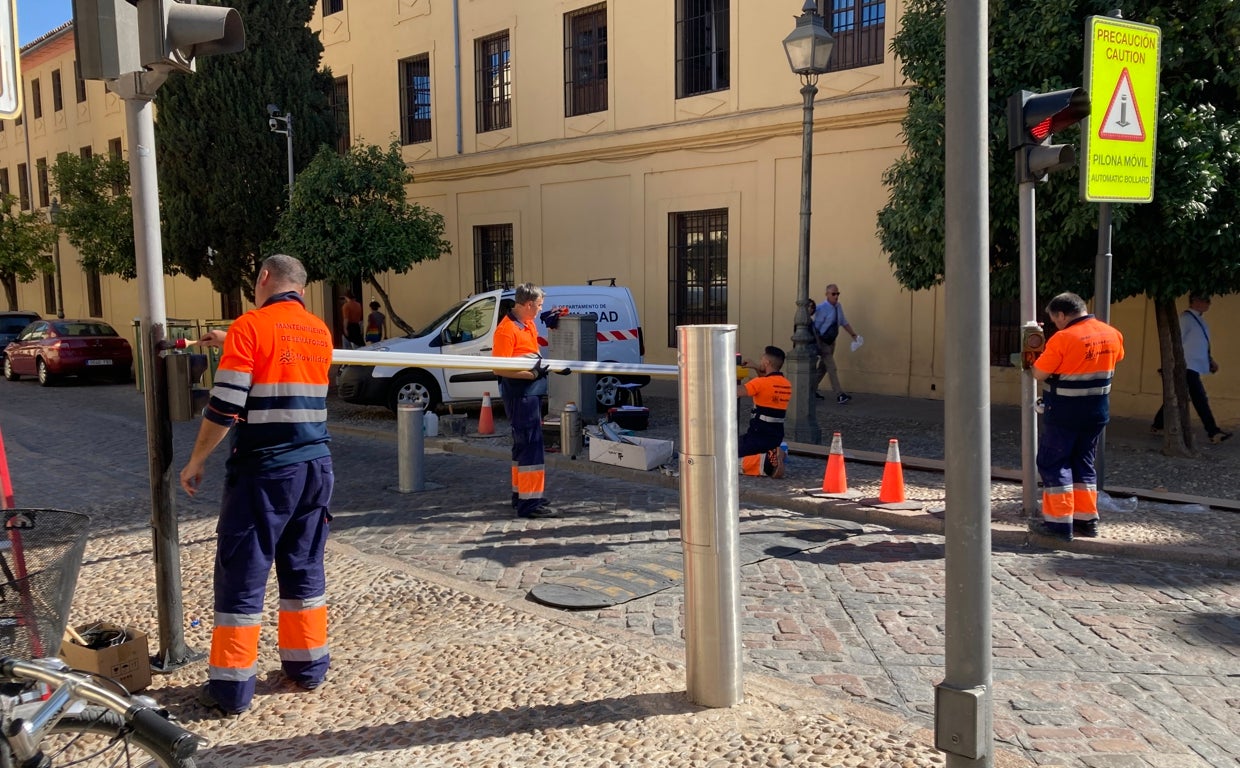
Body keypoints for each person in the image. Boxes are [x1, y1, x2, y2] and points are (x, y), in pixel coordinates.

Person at [178, 254, 335, 715]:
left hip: (265, 472)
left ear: (264, 277)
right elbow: (284, 359)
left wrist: (196, 460)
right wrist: (229, 341)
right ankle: (306, 668)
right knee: (304, 566)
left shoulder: (250, 326)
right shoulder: (319, 331)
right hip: (316, 466)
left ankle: (230, 690)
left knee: (242, 574)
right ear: (301, 289)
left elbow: (225, 405)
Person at [1029, 292, 1125, 541]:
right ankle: (1087, 520)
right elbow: (1116, 359)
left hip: (1065, 412)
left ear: (1062, 314)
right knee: (1084, 463)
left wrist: (1032, 358)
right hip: (1096, 412)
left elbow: (1039, 373)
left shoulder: (1063, 338)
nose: (1056, 324)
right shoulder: (1111, 333)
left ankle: (1059, 525)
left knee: (1054, 463)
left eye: (1054, 319)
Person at [493, 283, 558, 519]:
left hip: (529, 392)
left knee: (522, 445)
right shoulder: (506, 329)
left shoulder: (527, 323)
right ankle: (530, 503)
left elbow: (530, 353)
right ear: (528, 304)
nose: (541, 310)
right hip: (520, 393)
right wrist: (533, 374)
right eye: (539, 306)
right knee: (531, 446)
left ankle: (521, 495)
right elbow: (498, 369)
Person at [1150, 294, 1232, 444]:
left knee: (1178, 395)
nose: (1209, 304)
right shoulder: (1186, 319)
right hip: (1186, 366)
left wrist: (1210, 360)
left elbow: (1199, 344)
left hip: (1192, 366)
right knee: (1199, 398)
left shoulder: (1199, 320)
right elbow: (1176, 341)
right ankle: (1212, 431)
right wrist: (1171, 364)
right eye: (1206, 300)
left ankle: (1158, 424)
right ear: (1195, 301)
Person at [737, 346, 791, 478]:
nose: (760, 362)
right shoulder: (786, 384)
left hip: (757, 437)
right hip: (775, 438)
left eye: (762, 360)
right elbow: (766, 382)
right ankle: (776, 452)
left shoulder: (760, 383)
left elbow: (735, 391)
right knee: (736, 444)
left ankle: (767, 463)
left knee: (726, 459)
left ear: (767, 362)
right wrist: (756, 367)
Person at [812, 283, 859, 404]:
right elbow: (816, 328)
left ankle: (810, 390)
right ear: (827, 294)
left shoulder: (838, 307)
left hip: (831, 341)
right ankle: (839, 394)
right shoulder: (822, 308)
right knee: (832, 368)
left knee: (823, 368)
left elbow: (843, 322)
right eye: (833, 294)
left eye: (837, 293)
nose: (836, 296)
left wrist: (853, 334)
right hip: (823, 342)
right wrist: (818, 345)